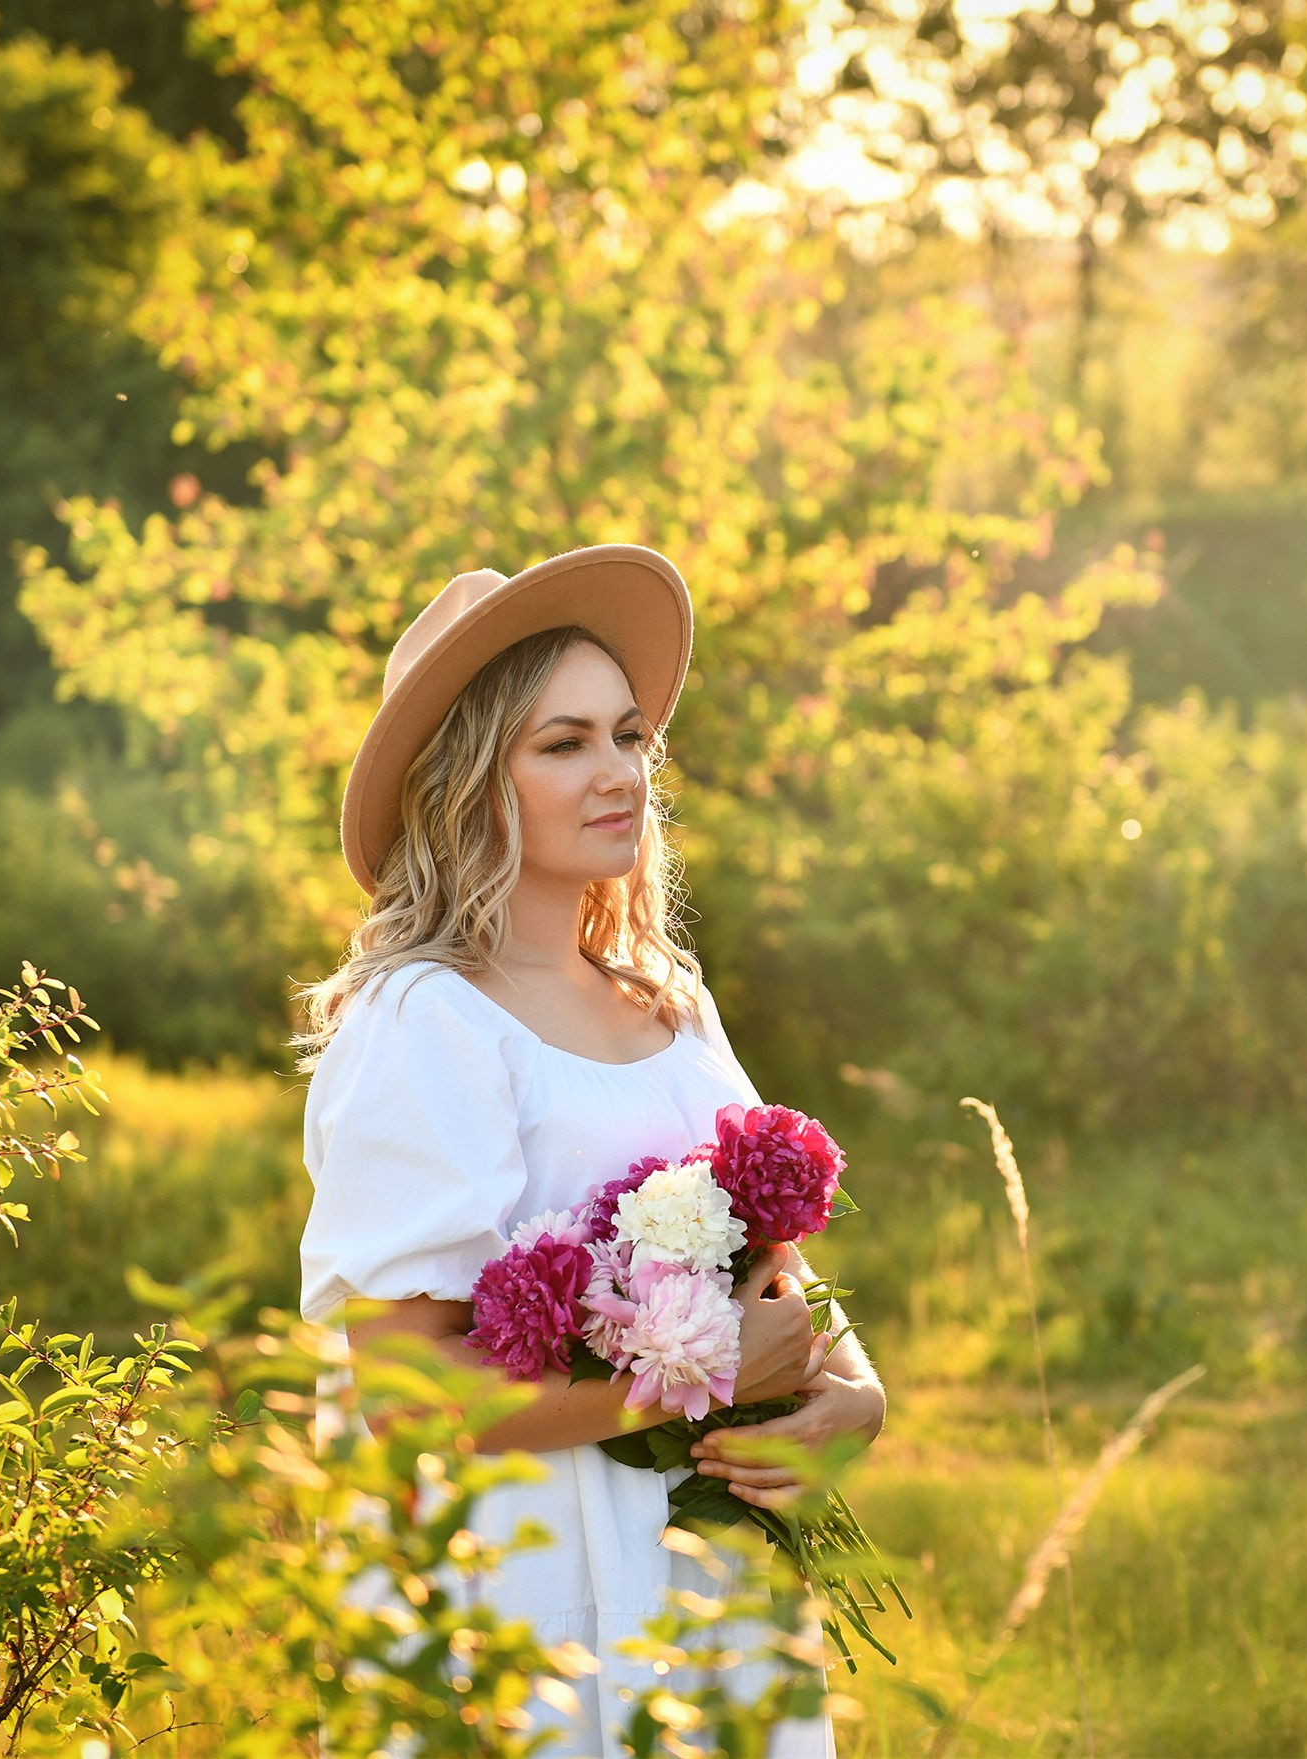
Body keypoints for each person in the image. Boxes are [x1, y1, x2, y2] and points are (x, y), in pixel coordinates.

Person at [292, 546, 885, 1756]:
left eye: (627, 736)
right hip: (529, 1578)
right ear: (467, 782)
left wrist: (852, 1394)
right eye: (562, 744)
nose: (618, 772)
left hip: (705, 1562)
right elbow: (409, 1387)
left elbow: (768, 1254)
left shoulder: (670, 1002)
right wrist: (692, 1374)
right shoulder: (425, 1020)